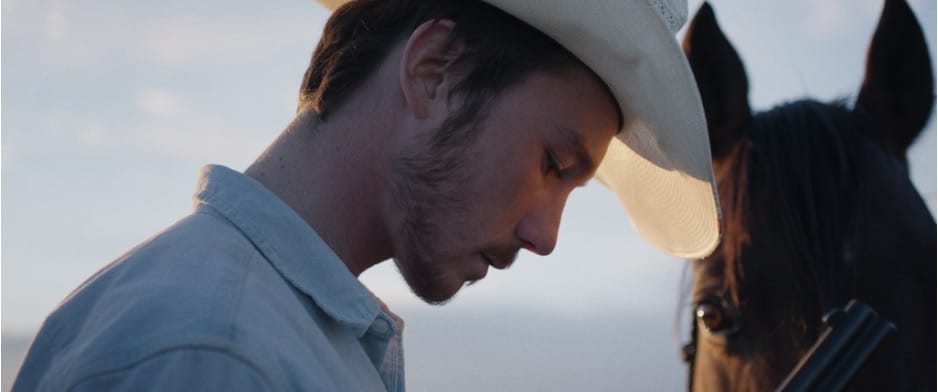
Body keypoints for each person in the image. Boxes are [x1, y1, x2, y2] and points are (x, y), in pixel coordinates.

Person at [13, 0, 720, 391]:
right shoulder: (218, 357)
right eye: (551, 163)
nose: (546, 235)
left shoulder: (262, 335)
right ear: (434, 70)